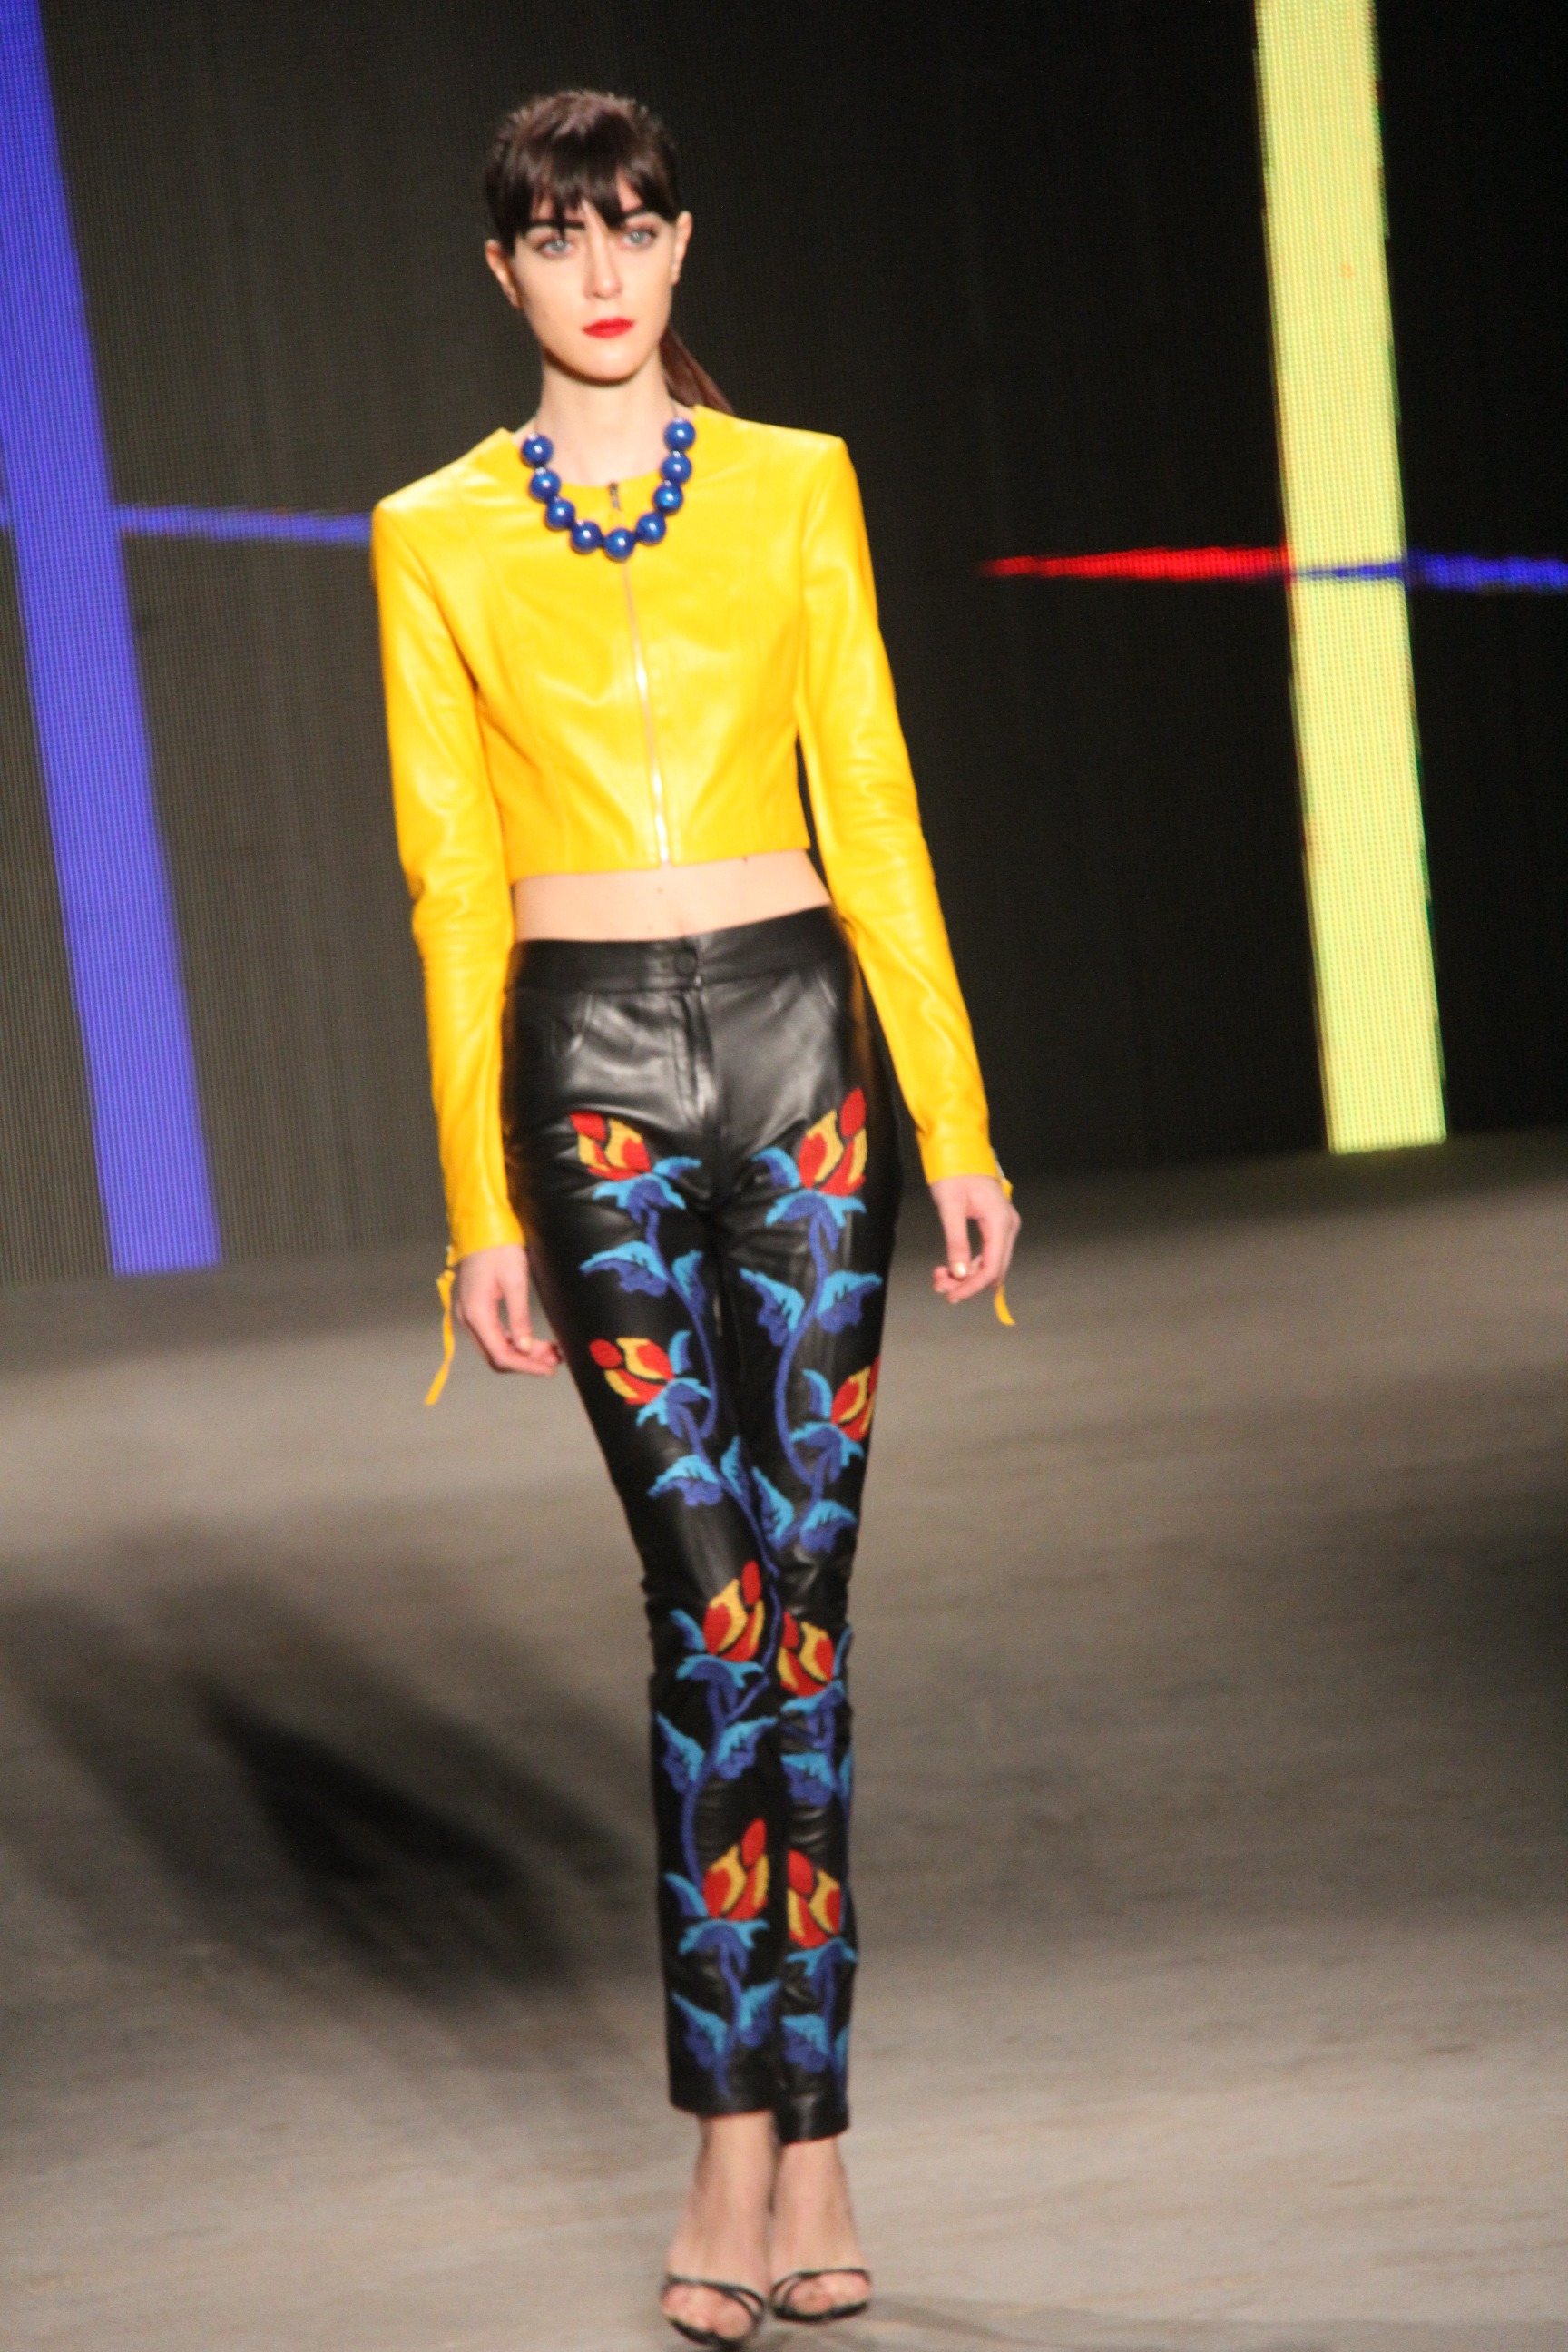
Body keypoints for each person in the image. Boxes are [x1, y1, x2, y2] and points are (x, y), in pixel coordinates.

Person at [372, 87, 1019, 2350]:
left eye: (633, 226)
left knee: (803, 1614)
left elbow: (880, 804)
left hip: (805, 1058)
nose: (602, 270)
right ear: (504, 272)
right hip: (591, 1092)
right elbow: (453, 883)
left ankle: (791, 2140)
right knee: (712, 1597)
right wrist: (475, 1200)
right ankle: (743, 2130)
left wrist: (956, 1115)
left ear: (679, 243)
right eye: (559, 236)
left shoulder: (796, 485)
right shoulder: (434, 536)